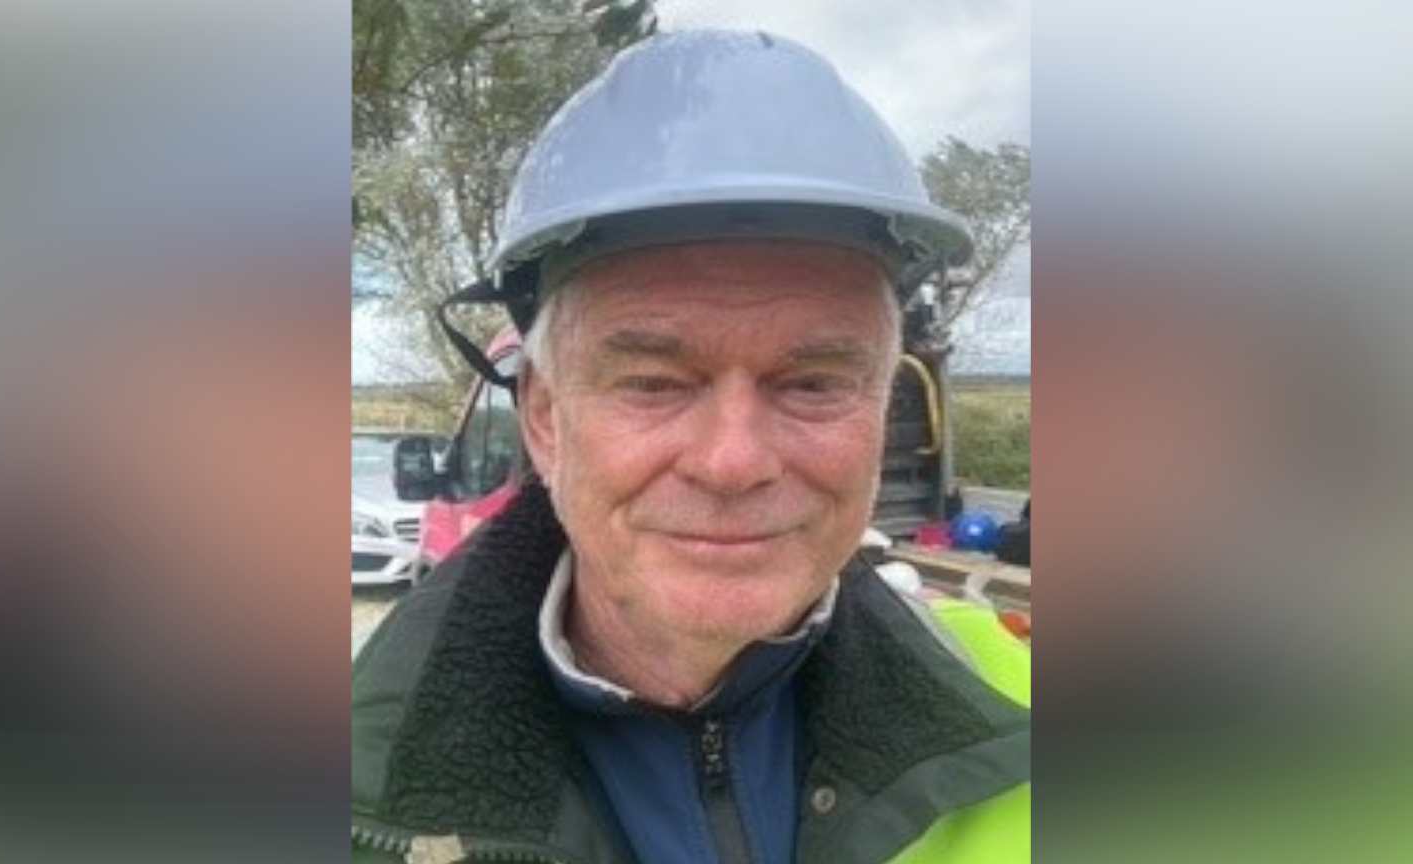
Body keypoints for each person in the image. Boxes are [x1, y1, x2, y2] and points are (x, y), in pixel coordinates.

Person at [352, 29, 1030, 864]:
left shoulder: (1023, 704)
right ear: (544, 419)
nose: (732, 462)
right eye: (652, 383)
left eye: (813, 383)